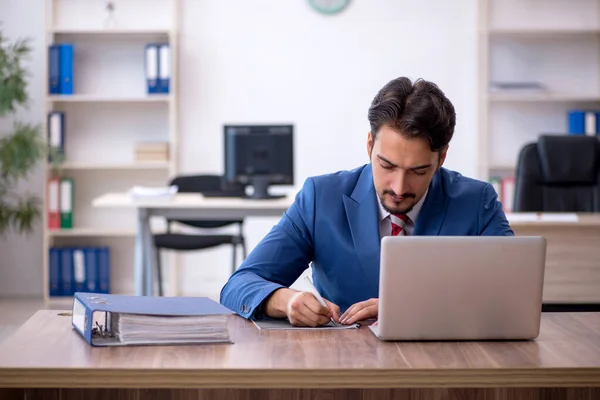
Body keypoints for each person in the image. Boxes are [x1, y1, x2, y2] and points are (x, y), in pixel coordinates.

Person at [219, 76, 514, 327]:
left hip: (445, 365)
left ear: (441, 159)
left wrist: (407, 309)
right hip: (344, 364)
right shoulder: (321, 198)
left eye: (418, 171)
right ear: (370, 145)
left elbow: (511, 294)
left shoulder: (477, 202)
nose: (399, 187)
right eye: (387, 165)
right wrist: (285, 300)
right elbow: (239, 284)